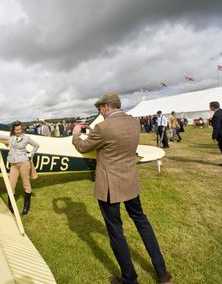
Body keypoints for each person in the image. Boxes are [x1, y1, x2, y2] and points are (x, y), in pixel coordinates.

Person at [72, 93, 172, 284]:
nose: (99, 112)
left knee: (116, 230)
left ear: (108, 107)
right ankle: (163, 273)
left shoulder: (103, 127)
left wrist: (76, 134)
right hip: (130, 181)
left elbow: (83, 147)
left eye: (100, 108)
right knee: (142, 222)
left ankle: (130, 278)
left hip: (110, 185)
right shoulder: (134, 122)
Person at [7, 121, 40, 215]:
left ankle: (26, 207)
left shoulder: (26, 138)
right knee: (11, 185)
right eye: (17, 129)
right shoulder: (11, 138)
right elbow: (11, 147)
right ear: (13, 130)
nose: (19, 131)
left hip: (23, 163)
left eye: (20, 129)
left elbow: (36, 145)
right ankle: (11, 206)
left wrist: (30, 154)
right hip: (13, 164)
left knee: (26, 184)